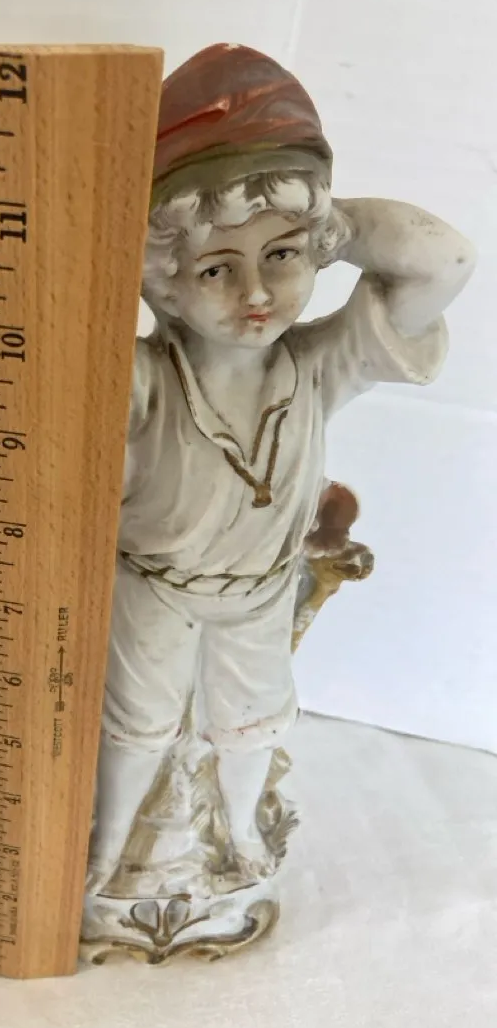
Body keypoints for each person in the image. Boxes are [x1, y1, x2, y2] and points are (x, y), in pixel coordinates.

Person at [87, 43, 475, 895]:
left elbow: (444, 259)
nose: (256, 294)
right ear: (162, 278)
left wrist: (322, 219)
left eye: (283, 257)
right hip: (152, 586)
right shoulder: (144, 378)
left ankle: (236, 832)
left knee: (253, 721)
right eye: (217, 269)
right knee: (134, 726)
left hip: (259, 591)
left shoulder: (317, 365)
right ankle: (105, 849)